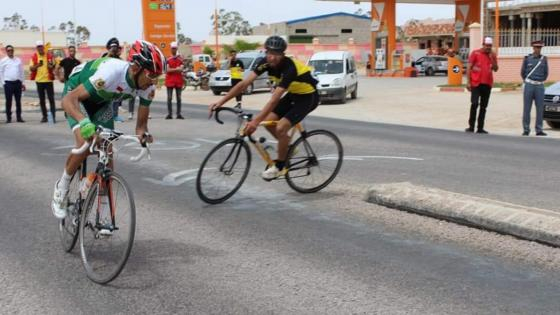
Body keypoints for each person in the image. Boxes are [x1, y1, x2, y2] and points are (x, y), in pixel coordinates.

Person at [51, 40, 166, 220]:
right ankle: (62, 187)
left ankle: (103, 210)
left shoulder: (148, 87)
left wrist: (143, 136)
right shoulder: (110, 74)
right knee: (85, 142)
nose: (154, 82)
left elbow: (141, 126)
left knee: (107, 150)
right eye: (152, 75)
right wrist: (84, 122)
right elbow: (67, 101)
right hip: (76, 93)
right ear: (136, 68)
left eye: (157, 76)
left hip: (102, 101)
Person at [209, 36, 319, 180]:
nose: (272, 58)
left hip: (307, 97)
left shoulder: (289, 68)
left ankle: (280, 167)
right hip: (293, 95)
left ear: (282, 55)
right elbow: (243, 84)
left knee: (280, 127)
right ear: (265, 52)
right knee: (268, 122)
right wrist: (220, 102)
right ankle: (288, 148)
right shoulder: (264, 63)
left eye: (276, 54)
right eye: (269, 53)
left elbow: (274, 99)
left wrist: (255, 122)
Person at [466, 37, 499, 134]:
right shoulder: (475, 53)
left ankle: (480, 127)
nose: (488, 48)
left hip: (487, 84)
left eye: (490, 46)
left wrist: (492, 59)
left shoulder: (492, 55)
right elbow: (469, 67)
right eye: (487, 45)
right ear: (483, 44)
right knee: (475, 103)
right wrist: (468, 82)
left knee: (484, 106)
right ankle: (471, 126)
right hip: (476, 83)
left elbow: (496, 69)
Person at [521, 40, 549, 136]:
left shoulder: (544, 59)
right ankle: (526, 129)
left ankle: (539, 129)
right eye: (536, 47)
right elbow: (522, 72)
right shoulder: (527, 58)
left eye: (540, 48)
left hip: (540, 85)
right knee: (527, 108)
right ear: (533, 48)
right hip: (529, 85)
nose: (538, 49)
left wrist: (540, 81)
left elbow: (546, 73)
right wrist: (529, 81)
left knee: (540, 108)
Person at [29, 40, 57, 123]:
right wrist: (38, 65)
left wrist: (50, 66)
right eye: (38, 47)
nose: (40, 48)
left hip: (48, 81)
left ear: (43, 47)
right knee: (42, 100)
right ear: (36, 48)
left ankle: (53, 117)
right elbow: (31, 68)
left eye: (41, 46)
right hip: (39, 81)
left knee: (51, 99)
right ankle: (44, 117)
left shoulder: (49, 56)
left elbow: (53, 66)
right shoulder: (34, 56)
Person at [0, 45, 26, 123]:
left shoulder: (18, 60)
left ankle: (19, 117)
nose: (10, 51)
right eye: (8, 50)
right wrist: (3, 83)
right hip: (8, 83)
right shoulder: (3, 61)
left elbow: (21, 71)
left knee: (18, 101)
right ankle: (9, 118)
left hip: (18, 83)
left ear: (13, 51)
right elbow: (0, 72)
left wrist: (22, 82)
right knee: (9, 101)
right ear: (6, 51)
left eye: (11, 50)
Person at [102, 37, 125, 122]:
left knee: (117, 99)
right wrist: (110, 54)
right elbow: (102, 63)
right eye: (112, 47)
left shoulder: (119, 59)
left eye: (116, 47)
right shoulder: (105, 56)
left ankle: (115, 115)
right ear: (108, 48)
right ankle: (107, 117)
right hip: (106, 82)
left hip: (117, 83)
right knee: (106, 101)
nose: (114, 49)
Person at [164, 41, 184, 119]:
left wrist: (173, 69)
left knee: (179, 98)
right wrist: (176, 69)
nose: (173, 50)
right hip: (170, 81)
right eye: (172, 48)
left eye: (175, 48)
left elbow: (181, 69)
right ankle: (170, 114)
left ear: (177, 49)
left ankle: (178, 114)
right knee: (169, 98)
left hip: (178, 81)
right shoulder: (168, 59)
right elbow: (167, 70)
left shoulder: (180, 59)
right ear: (170, 49)